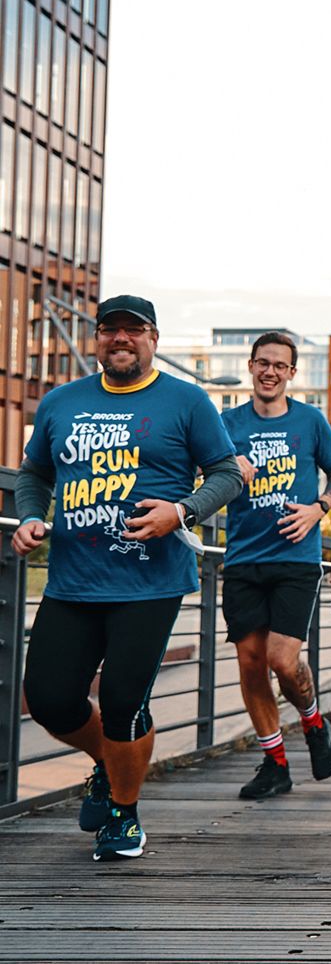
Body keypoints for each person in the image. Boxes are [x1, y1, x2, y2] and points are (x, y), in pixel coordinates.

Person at [13, 295, 242, 860]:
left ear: (153, 339)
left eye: (133, 330)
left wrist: (182, 512)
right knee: (49, 700)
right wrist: (31, 517)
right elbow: (34, 473)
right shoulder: (61, 402)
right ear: (96, 339)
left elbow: (227, 473)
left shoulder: (186, 400)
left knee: (122, 701)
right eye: (109, 330)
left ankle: (124, 812)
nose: (121, 338)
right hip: (72, 579)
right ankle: (107, 762)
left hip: (150, 583)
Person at [221, 331, 331, 800]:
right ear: (251, 366)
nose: (270, 371)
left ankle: (314, 724)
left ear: (292, 373)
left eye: (280, 365)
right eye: (263, 363)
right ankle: (275, 763)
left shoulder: (310, 420)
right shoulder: (226, 423)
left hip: (295, 558)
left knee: (281, 658)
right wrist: (227, 464)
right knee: (251, 664)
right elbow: (202, 472)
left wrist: (320, 508)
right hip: (243, 558)